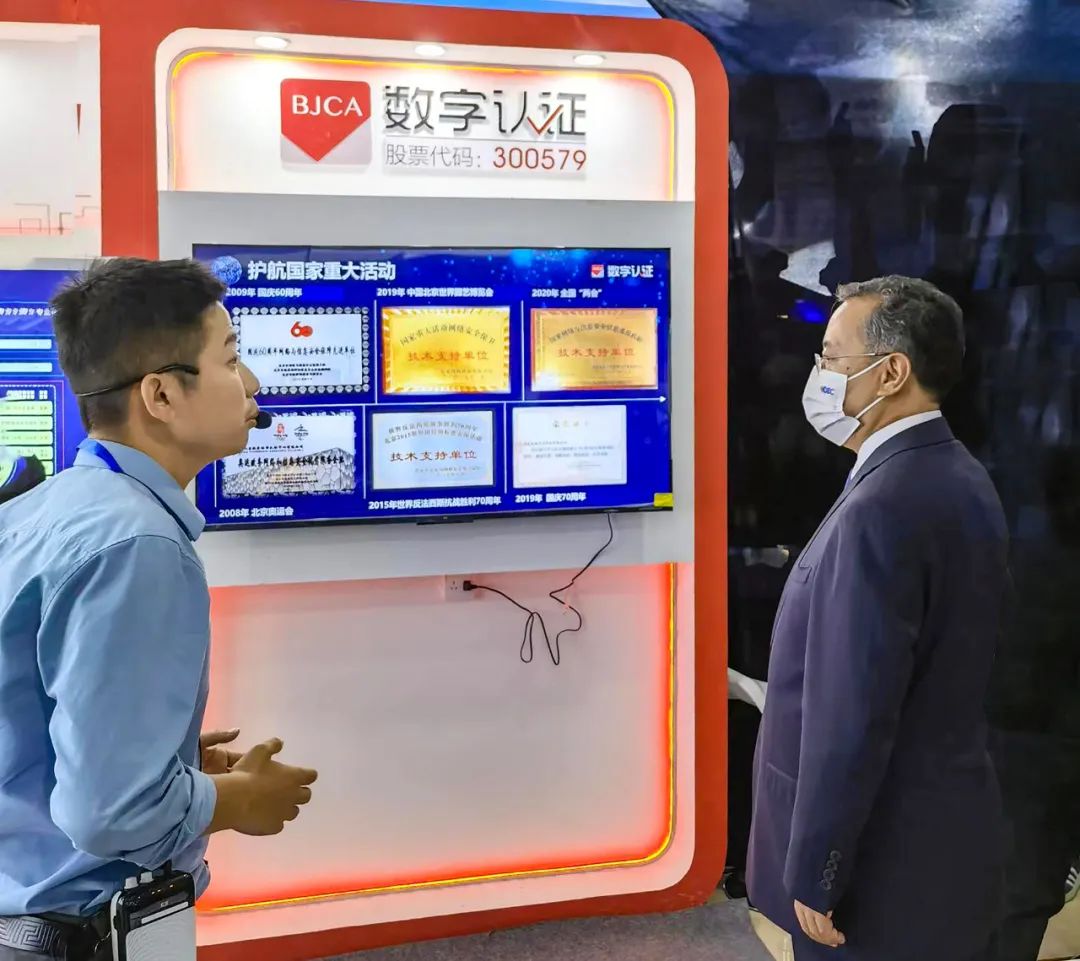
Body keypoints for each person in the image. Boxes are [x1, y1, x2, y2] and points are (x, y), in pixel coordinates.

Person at [0, 259, 318, 961]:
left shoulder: (49, 510)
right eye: (230, 359)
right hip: (78, 936)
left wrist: (168, 759)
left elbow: (25, 727)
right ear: (162, 394)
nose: (252, 384)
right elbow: (109, 811)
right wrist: (234, 800)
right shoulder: (138, 544)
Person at [747, 276, 1009, 961]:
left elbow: (852, 711)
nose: (818, 374)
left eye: (832, 357)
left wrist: (818, 870)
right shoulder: (955, 473)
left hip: (881, 872)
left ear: (891, 373)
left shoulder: (882, 507)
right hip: (941, 846)